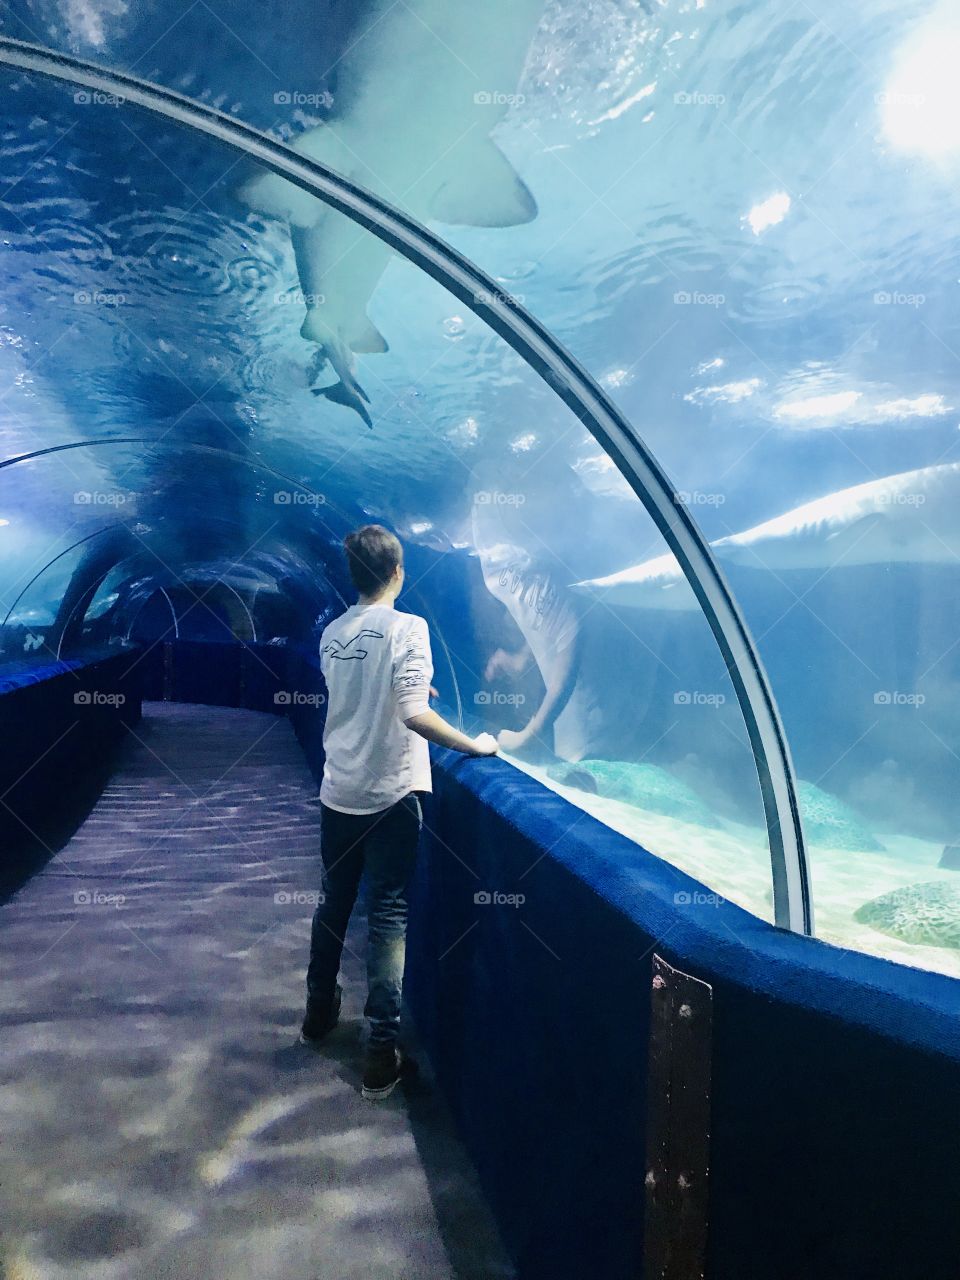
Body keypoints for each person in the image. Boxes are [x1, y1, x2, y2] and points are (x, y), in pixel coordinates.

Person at [300, 524, 499, 1099]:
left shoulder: (333, 632)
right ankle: (380, 1053)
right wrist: (473, 745)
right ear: (398, 572)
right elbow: (412, 713)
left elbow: (358, 691)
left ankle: (317, 1014)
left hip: (338, 790)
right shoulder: (409, 627)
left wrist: (413, 691)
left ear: (353, 575)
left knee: (333, 901)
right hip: (389, 794)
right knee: (387, 916)